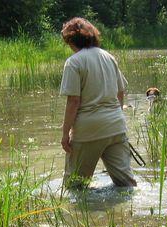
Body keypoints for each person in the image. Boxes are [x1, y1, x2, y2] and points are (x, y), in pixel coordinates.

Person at [59, 17, 137, 189]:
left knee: (74, 187)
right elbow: (120, 91)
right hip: (116, 126)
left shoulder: (74, 62)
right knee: (127, 186)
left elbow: (73, 101)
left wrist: (65, 134)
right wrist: (116, 116)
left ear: (71, 40)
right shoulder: (108, 57)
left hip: (88, 130)